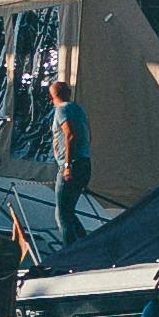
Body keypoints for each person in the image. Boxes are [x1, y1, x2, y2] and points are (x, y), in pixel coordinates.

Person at [49, 76, 96, 245]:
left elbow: (69, 134)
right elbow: (88, 135)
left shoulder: (61, 110)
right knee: (69, 211)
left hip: (71, 165)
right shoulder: (79, 109)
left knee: (61, 214)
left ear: (53, 96)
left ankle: (70, 251)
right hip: (84, 163)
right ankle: (85, 245)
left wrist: (67, 165)